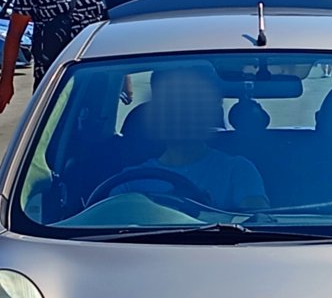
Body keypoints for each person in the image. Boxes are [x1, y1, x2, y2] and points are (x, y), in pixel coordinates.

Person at [112, 67, 268, 212]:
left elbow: (257, 223)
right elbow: (106, 222)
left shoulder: (237, 170)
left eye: (191, 105)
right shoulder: (129, 181)